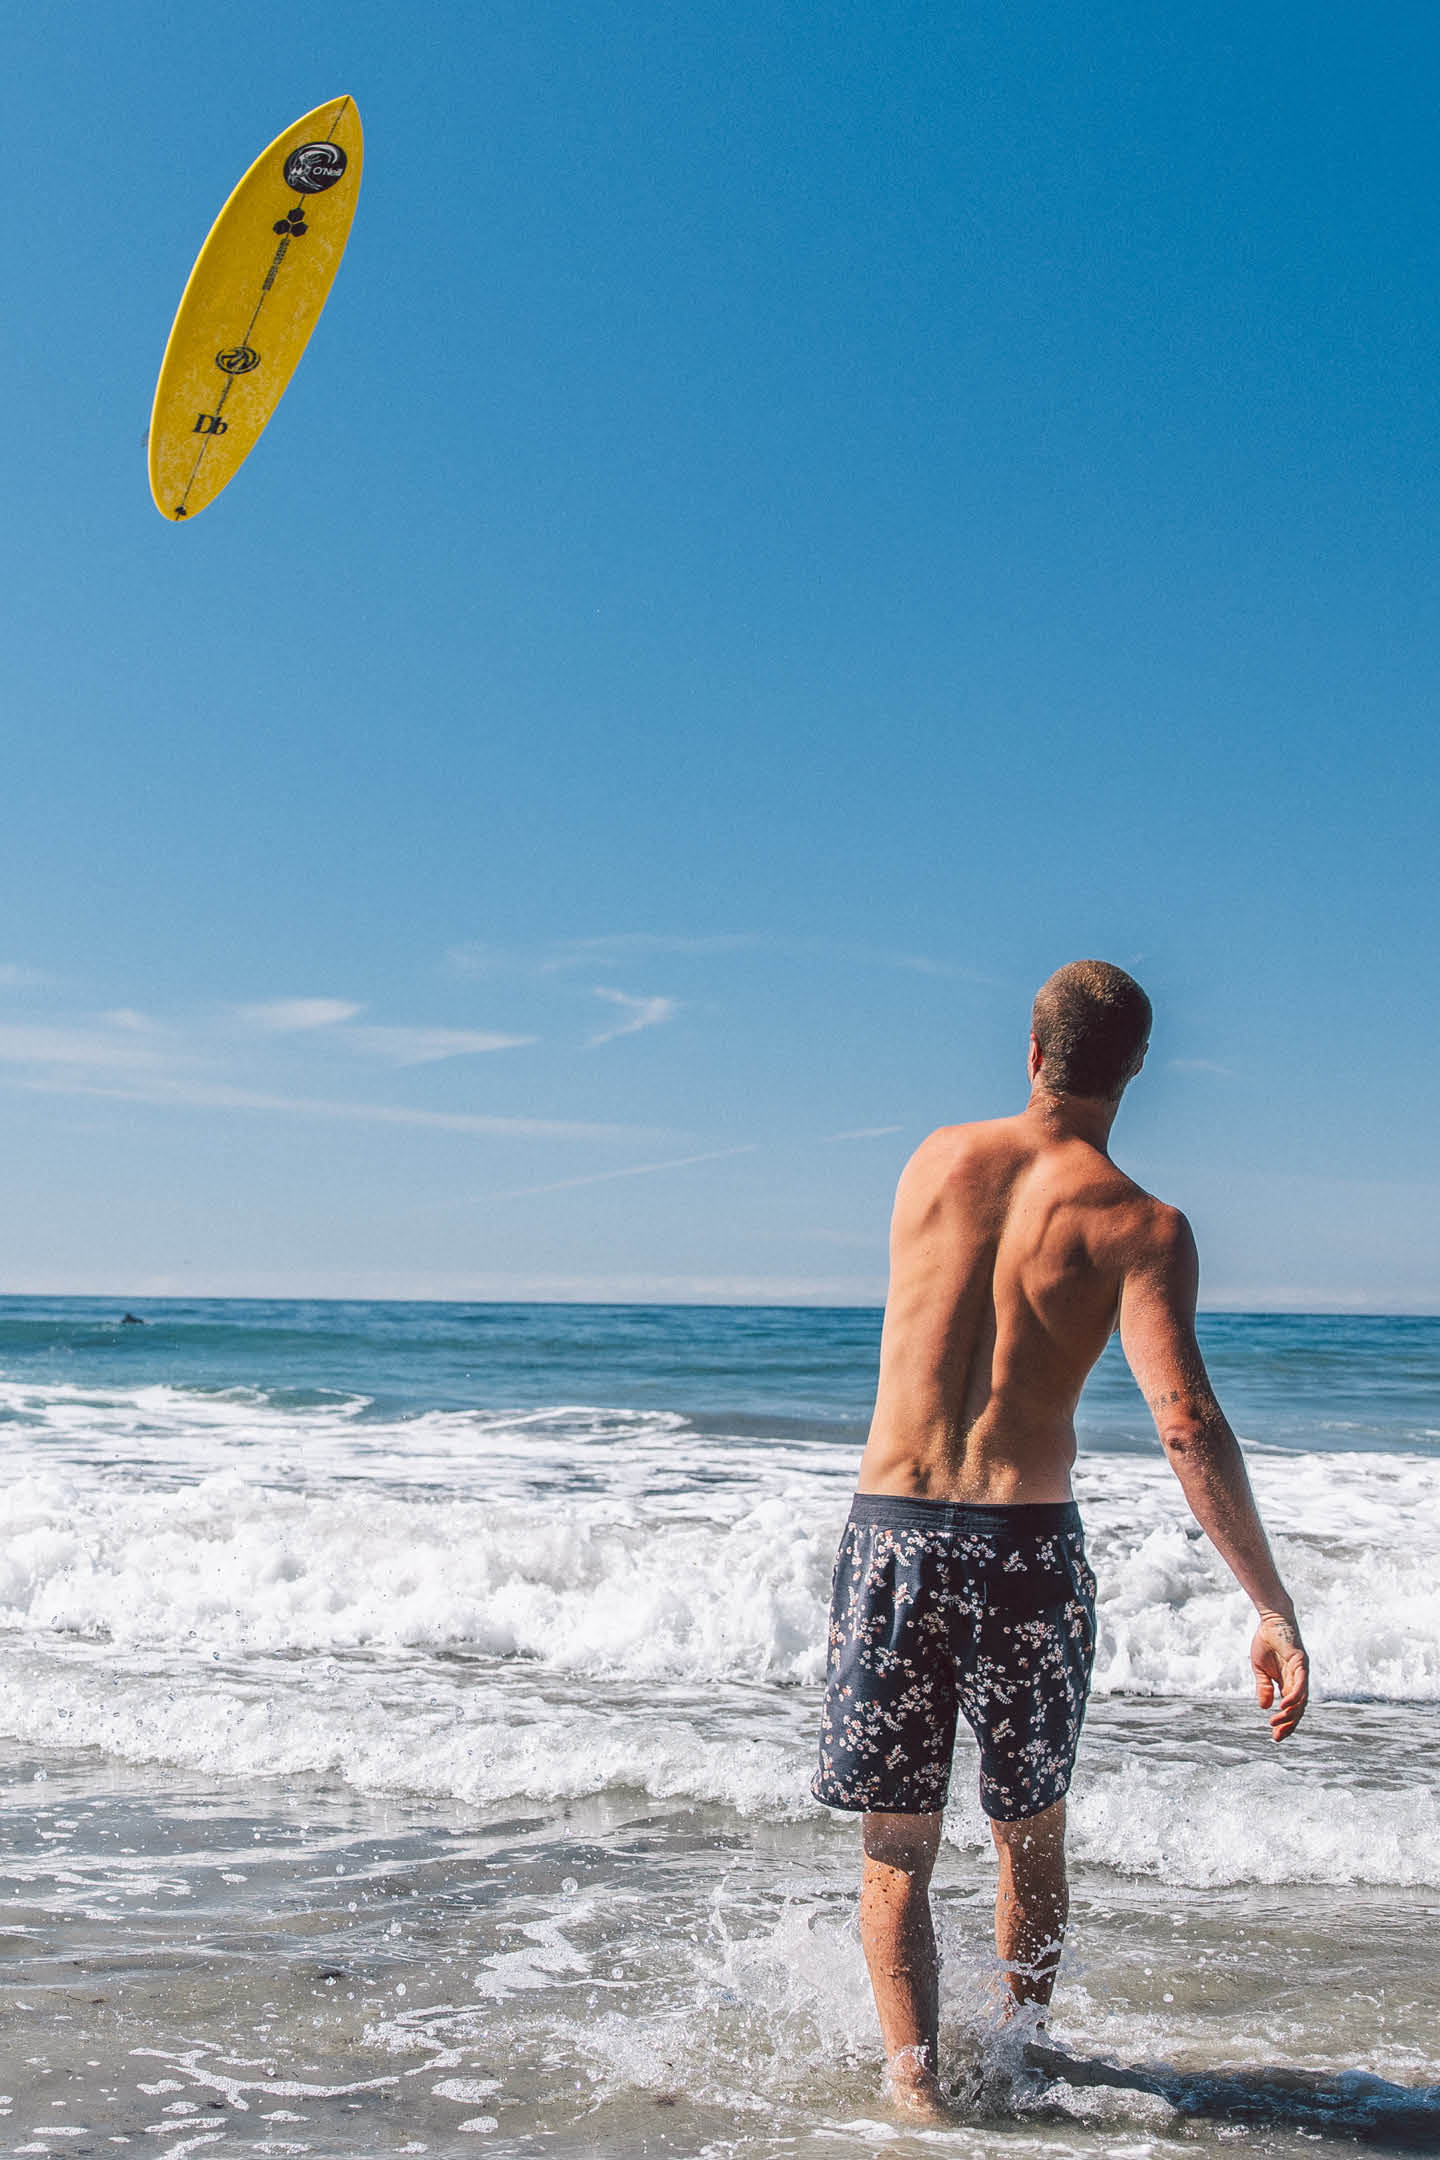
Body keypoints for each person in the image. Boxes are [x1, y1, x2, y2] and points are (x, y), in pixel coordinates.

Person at [812, 960, 1309, 2120]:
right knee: (1026, 1834)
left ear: (1032, 1053)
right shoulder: (1143, 1226)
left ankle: (915, 2093)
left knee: (899, 1842)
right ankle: (1020, 2061)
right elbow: (1184, 1423)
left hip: (892, 1538)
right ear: (1135, 1070)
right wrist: (1270, 1605)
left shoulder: (933, 1161)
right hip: (1025, 1552)